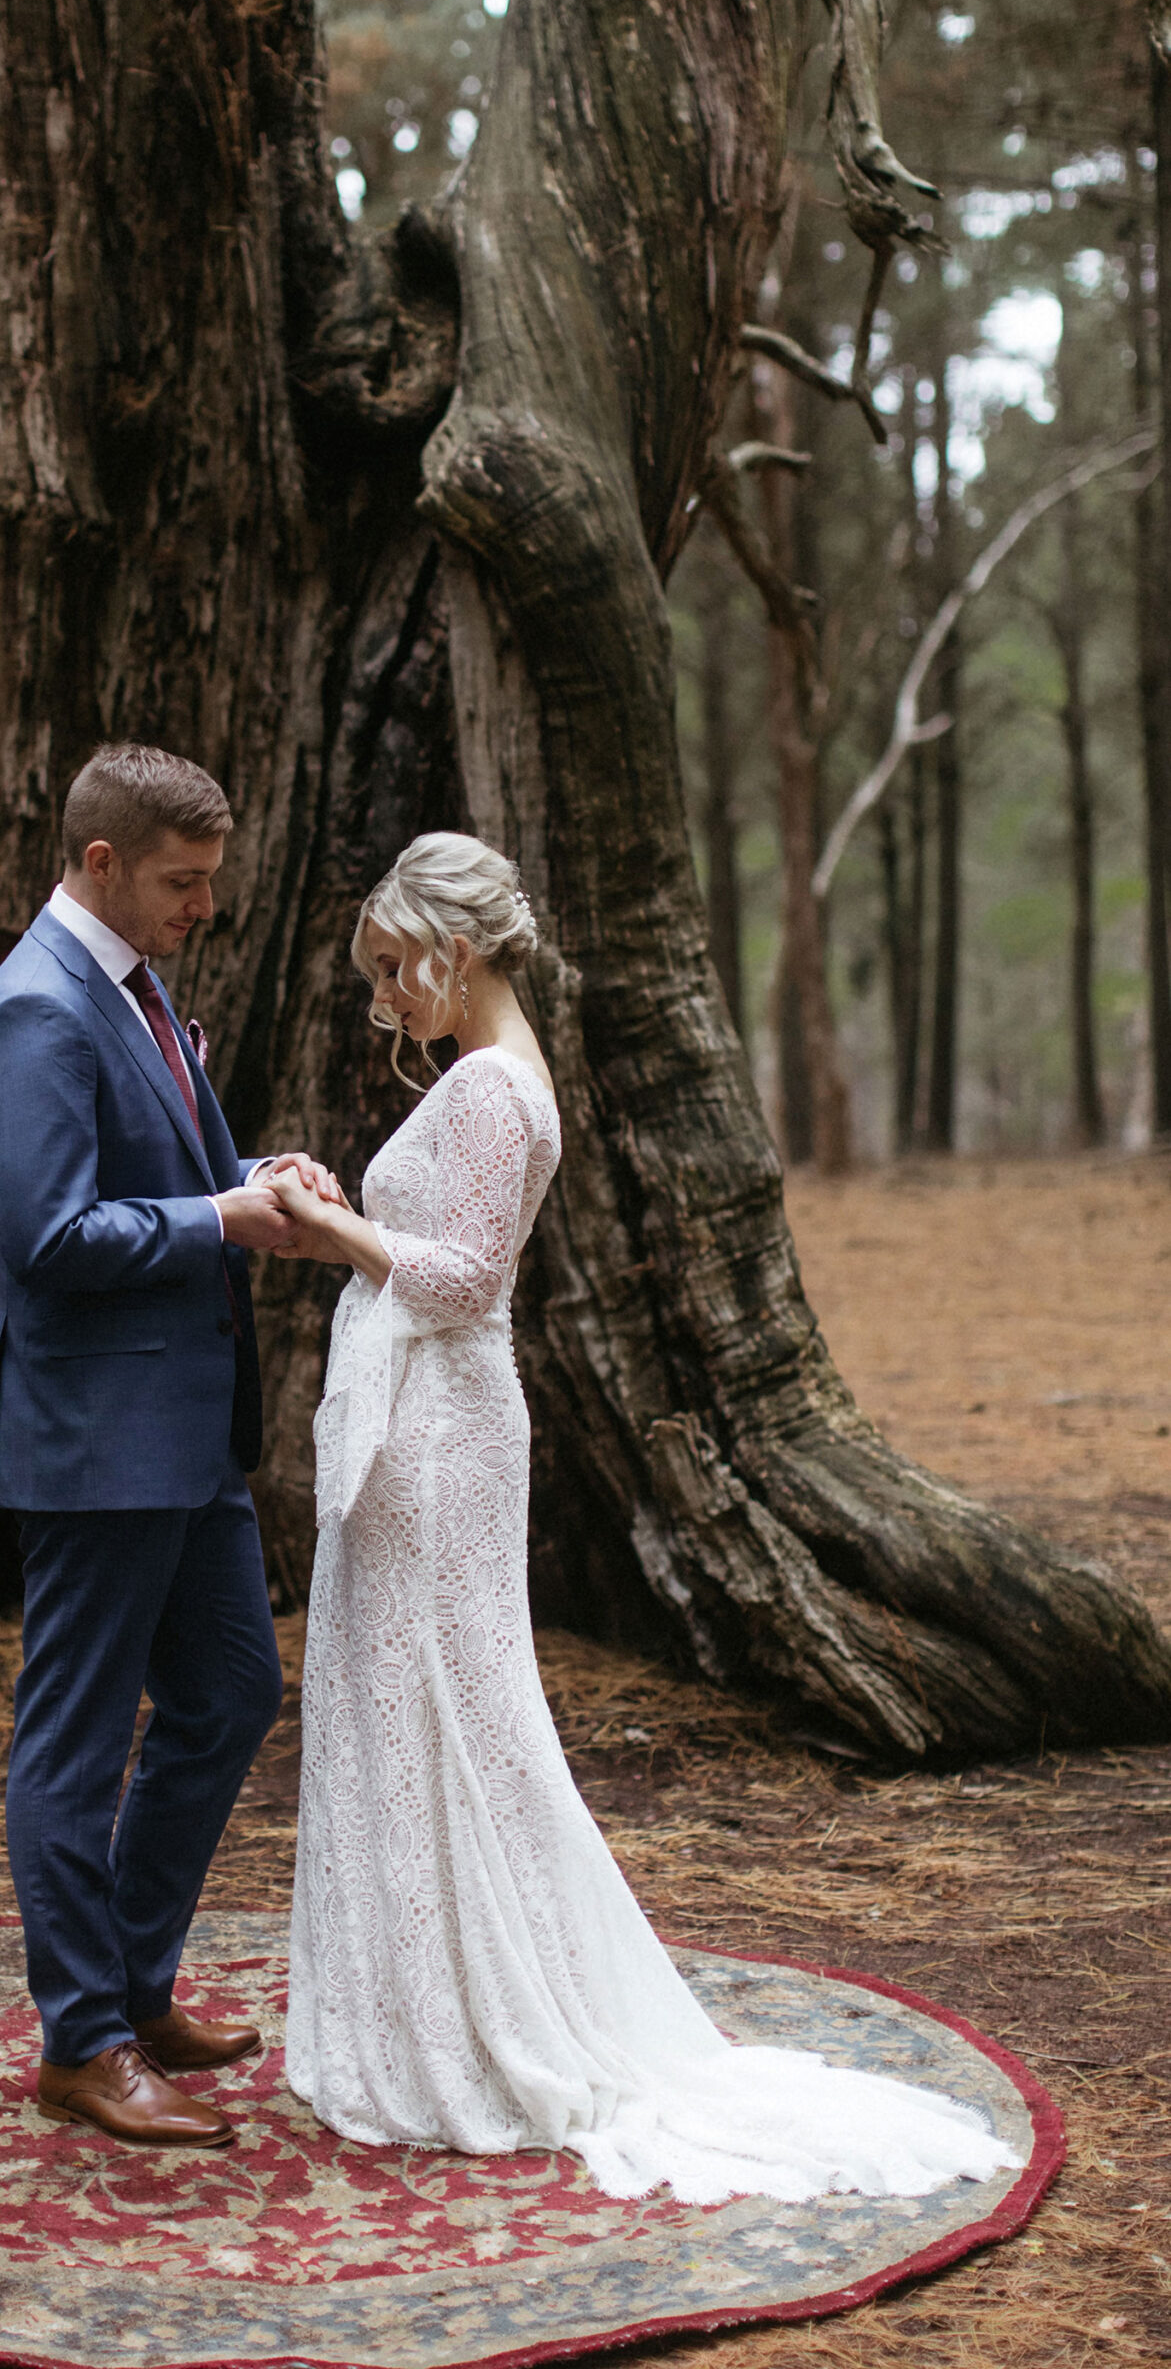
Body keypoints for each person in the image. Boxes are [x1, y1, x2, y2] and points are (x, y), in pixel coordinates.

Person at [267, 831, 1019, 2204]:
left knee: (449, 1702)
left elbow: (466, 1278)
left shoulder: (496, 1088)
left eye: (394, 970)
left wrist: (334, 1236)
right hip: (425, 1415)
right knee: (414, 1700)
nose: (386, 1000)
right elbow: (432, 1247)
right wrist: (343, 1204)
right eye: (375, 976)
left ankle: (484, 2012)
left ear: (458, 945)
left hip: (445, 1427)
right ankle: (419, 2001)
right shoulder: (486, 1079)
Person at [0, 743, 339, 2152]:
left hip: (188, 1436)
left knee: (232, 1695)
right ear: (103, 864)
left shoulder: (134, 980)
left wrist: (252, 1179)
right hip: (95, 1444)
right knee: (69, 1750)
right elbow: (47, 1242)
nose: (203, 906)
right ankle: (82, 2044)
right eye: (183, 882)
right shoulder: (35, 1012)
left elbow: (163, 1177)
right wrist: (218, 1223)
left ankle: (132, 1985)